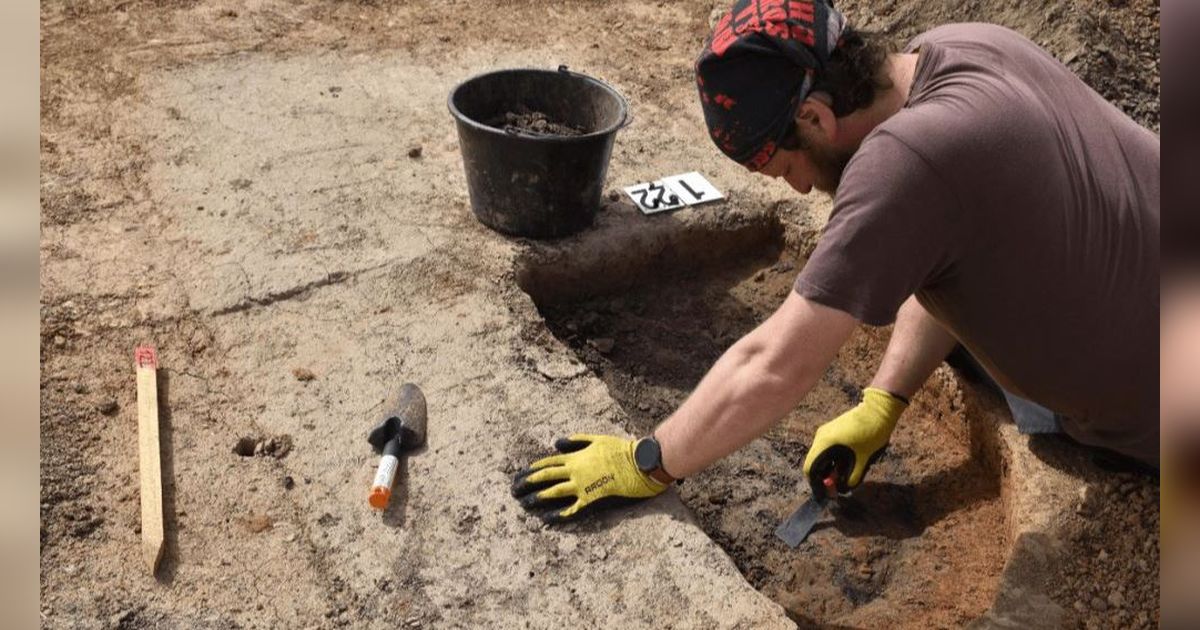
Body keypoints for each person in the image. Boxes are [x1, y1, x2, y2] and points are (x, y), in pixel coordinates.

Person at [512, 0, 1159, 523]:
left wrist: (649, 459)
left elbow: (775, 363)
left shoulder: (904, 164)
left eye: (784, 165)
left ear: (815, 116)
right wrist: (883, 400)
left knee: (1047, 413)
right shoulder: (966, 46)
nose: (797, 189)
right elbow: (949, 253)